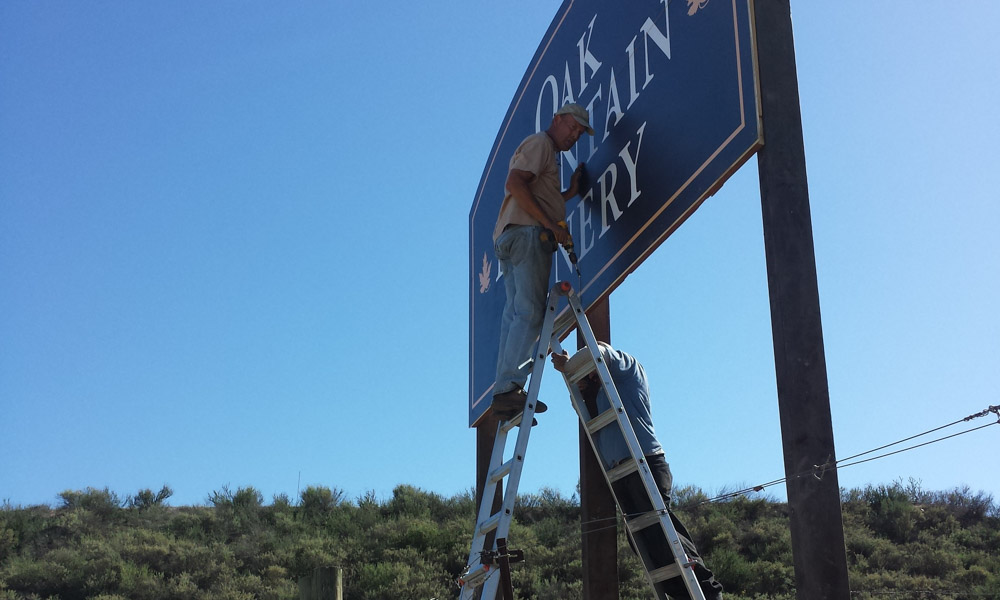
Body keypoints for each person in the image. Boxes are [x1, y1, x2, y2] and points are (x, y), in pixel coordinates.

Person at [552, 342, 724, 600]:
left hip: (645, 461)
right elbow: (582, 412)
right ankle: (683, 595)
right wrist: (579, 383)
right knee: (642, 542)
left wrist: (568, 366)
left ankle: (708, 592)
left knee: (662, 534)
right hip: (622, 472)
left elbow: (597, 353)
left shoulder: (627, 369)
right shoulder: (600, 391)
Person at [490, 103, 593, 420]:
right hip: (528, 235)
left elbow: (536, 191)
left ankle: (504, 391)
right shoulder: (541, 143)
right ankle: (510, 388)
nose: (574, 135)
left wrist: (569, 194)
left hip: (511, 237)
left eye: (580, 132)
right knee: (532, 312)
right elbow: (515, 184)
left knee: (515, 314)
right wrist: (548, 224)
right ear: (557, 120)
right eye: (572, 126)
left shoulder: (546, 152)